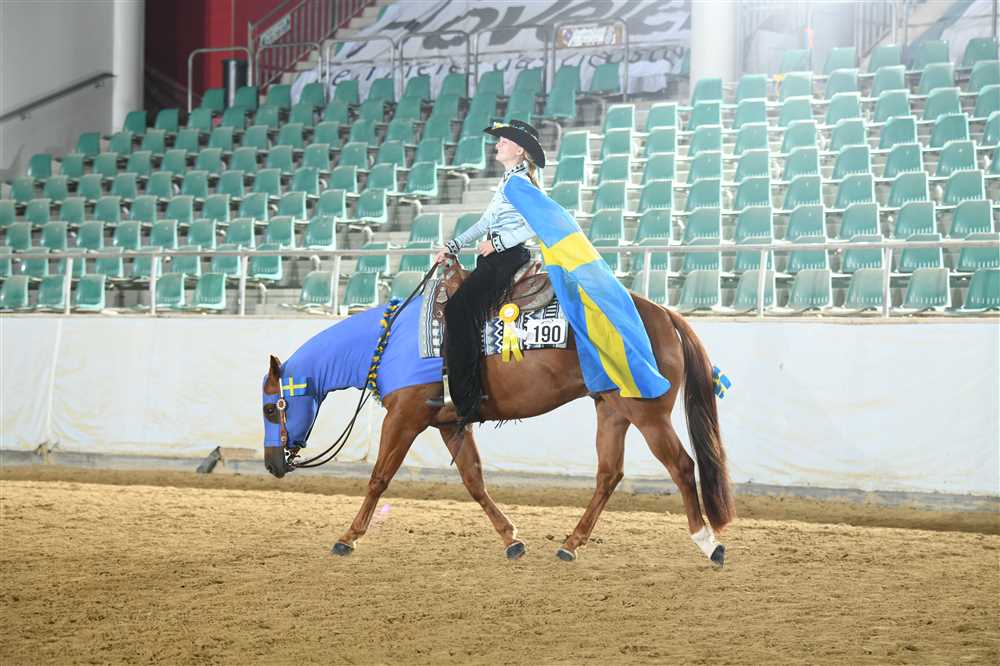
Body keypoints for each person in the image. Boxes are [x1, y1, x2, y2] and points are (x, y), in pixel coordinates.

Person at [431, 119, 547, 422]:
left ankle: (465, 398)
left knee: (458, 310)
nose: (498, 144)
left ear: (519, 150)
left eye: (505, 141)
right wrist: (453, 245)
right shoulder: (509, 180)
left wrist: (497, 243)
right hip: (497, 257)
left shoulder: (520, 183)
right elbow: (484, 223)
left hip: (507, 257)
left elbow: (536, 224)